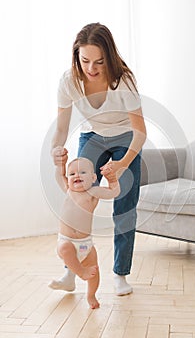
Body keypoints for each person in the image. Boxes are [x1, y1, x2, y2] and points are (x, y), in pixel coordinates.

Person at [50, 22, 147, 296]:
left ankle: (120, 274)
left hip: (126, 138)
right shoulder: (68, 82)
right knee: (76, 197)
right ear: (76, 57)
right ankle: (71, 273)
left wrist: (122, 164)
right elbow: (60, 129)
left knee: (124, 208)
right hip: (91, 136)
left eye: (99, 62)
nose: (91, 68)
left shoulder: (123, 80)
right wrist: (55, 151)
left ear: (110, 58)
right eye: (85, 61)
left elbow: (140, 132)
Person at [49, 154, 120, 309]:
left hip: (85, 244)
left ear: (93, 177)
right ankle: (80, 272)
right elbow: (59, 174)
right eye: (72, 174)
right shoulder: (68, 190)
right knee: (64, 248)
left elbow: (114, 192)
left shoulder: (93, 193)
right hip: (66, 241)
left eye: (82, 172)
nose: (76, 176)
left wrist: (112, 179)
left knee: (94, 270)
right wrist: (61, 164)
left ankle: (91, 295)